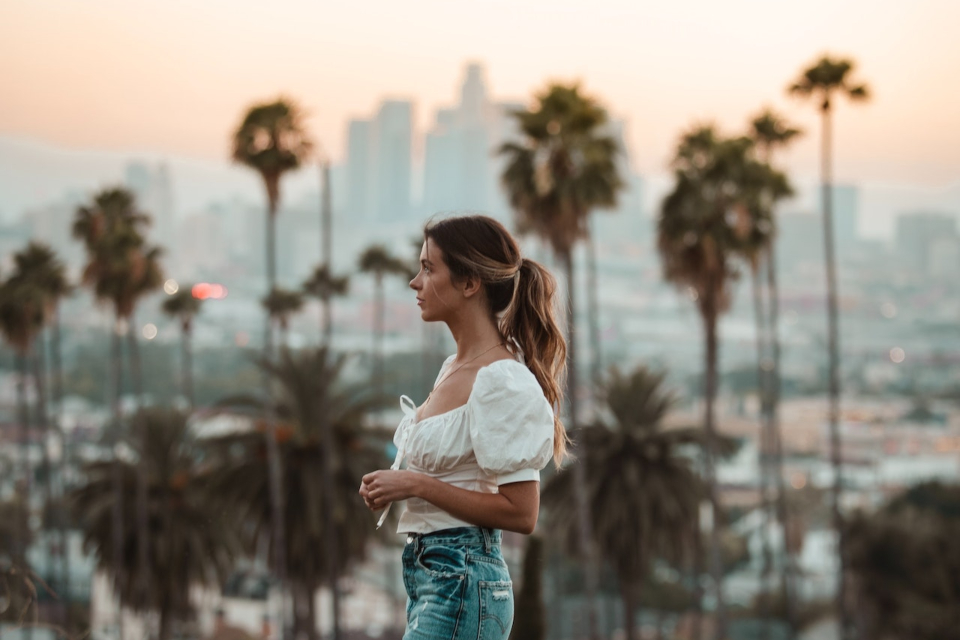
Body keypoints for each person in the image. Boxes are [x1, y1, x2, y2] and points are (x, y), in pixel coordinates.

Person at [359, 214, 568, 640]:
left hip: (464, 580)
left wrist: (414, 485)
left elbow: (522, 513)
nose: (415, 282)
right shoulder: (452, 369)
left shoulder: (501, 379)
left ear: (470, 283)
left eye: (429, 268)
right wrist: (394, 486)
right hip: (432, 579)